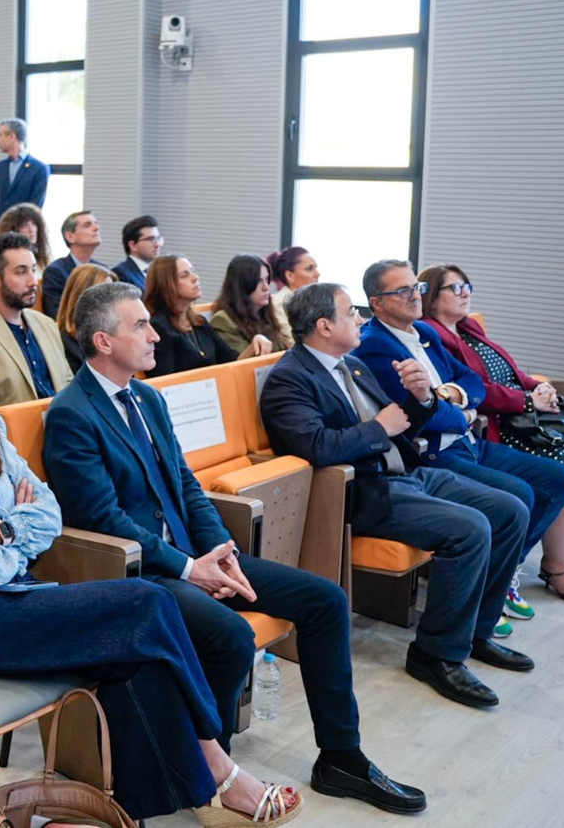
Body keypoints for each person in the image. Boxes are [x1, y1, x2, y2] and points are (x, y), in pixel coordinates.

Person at [0, 297, 302, 825]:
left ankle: (119, 810)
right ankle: (215, 765)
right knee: (148, 600)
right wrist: (14, 529)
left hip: (10, 594)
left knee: (139, 657)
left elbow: (48, 514)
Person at [45, 283, 424, 814]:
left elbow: (187, 486)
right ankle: (211, 771)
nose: (155, 335)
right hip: (142, 576)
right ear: (104, 341)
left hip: (193, 558)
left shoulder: (149, 397)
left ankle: (341, 756)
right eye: (141, 327)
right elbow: (101, 519)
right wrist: (186, 566)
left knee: (324, 601)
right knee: (228, 637)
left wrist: (219, 550)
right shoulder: (72, 414)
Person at [261, 283, 532, 709]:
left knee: (510, 510)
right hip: (362, 491)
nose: (362, 320)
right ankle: (436, 655)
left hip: (407, 472)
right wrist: (379, 430)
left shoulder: (351, 365)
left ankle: (475, 632)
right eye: (352, 313)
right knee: (471, 529)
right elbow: (314, 447)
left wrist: (420, 397)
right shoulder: (290, 378)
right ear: (324, 325)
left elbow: (401, 418)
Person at [357, 260, 564, 629]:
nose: (415, 297)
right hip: (435, 453)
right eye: (403, 291)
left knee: (558, 479)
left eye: (417, 288)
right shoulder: (375, 347)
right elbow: (421, 414)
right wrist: (463, 413)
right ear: (377, 303)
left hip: (469, 442)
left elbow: (472, 381)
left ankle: (500, 574)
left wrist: (454, 395)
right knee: (518, 496)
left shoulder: (424, 332)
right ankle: (487, 595)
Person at [419, 264, 564, 606]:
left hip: (525, 416)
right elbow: (476, 392)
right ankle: (557, 567)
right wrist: (525, 399)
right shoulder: (432, 334)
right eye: (455, 288)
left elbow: (509, 371)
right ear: (431, 299)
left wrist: (539, 386)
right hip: (498, 425)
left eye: (467, 286)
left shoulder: (469, 327)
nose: (466, 293)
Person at [0, 232, 73, 406]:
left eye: (33, 270)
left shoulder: (47, 324)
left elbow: (68, 382)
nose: (33, 282)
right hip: (12, 430)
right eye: (21, 272)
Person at [146, 256, 243, 376]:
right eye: (185, 275)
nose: (196, 277)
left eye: (192, 271)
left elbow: (232, 359)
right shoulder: (159, 327)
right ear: (167, 284)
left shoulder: (199, 322)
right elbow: (164, 381)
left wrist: (255, 345)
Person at [211, 254, 293, 356]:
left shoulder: (264, 313)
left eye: (267, 279)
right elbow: (243, 364)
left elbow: (284, 348)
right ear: (242, 285)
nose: (266, 287)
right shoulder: (223, 320)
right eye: (258, 281)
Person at [0, 117, 50, 227]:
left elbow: (35, 205)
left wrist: (15, 228)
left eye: (0, 135)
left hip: (23, 233)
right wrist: (0, 226)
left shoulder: (39, 168)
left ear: (11, 137)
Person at [41, 211, 105, 318]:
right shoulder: (55, 271)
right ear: (70, 236)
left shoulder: (102, 269)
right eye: (87, 225)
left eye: (96, 223)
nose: (96, 228)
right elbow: (57, 314)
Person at [55, 262, 113, 372]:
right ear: (81, 298)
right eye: (105, 296)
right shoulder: (63, 342)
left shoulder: (114, 333)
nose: (112, 302)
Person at [0, 202, 52, 270]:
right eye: (24, 226)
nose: (31, 230)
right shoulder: (4, 261)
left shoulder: (43, 260)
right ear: (13, 231)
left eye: (34, 224)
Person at [112, 215, 163, 290]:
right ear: (133, 245)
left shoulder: (158, 271)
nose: (157, 244)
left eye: (158, 238)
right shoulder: (121, 273)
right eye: (150, 239)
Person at [268, 246, 319, 317]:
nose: (317, 274)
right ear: (290, 276)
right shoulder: (279, 304)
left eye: (315, 268)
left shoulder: (313, 303)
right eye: (309, 269)